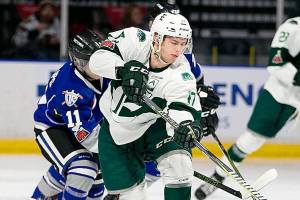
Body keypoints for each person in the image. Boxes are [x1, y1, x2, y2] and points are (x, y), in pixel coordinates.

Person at [87, 12, 203, 200]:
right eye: (174, 42)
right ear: (156, 38)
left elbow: (182, 108)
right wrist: (123, 69)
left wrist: (186, 126)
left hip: (153, 128)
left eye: (183, 43)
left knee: (179, 163)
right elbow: (96, 60)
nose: (179, 50)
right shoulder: (134, 39)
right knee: (132, 196)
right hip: (115, 131)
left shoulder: (181, 75)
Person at [195, 16, 300, 199]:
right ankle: (218, 177)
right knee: (250, 140)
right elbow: (276, 64)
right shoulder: (293, 28)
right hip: (280, 95)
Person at [30, 30, 109, 200]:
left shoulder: (104, 69)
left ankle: (41, 197)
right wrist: (122, 149)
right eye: (92, 62)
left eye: (100, 59)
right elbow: (86, 137)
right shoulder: (71, 92)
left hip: (84, 125)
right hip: (53, 129)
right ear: (79, 63)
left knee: (96, 185)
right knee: (83, 168)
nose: (99, 66)